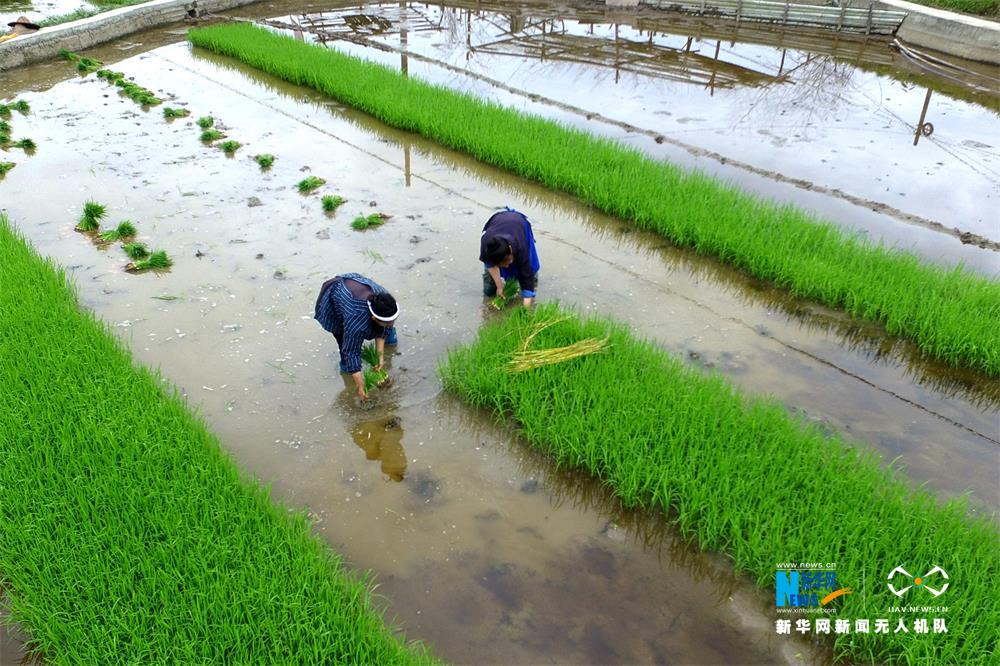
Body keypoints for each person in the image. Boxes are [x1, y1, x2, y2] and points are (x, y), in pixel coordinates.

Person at [314, 273, 398, 400]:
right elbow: (351, 353)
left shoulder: (385, 300)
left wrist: (379, 356)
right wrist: (361, 386)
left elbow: (384, 327)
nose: (391, 324)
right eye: (387, 322)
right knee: (346, 352)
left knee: (389, 334)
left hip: (356, 285)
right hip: (335, 299)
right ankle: (347, 375)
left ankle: (389, 341)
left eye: (393, 320)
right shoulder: (356, 319)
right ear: (374, 318)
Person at [480, 207, 540, 307]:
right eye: (501, 265)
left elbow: (527, 284)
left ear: (511, 252)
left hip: (519, 225)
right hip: (498, 222)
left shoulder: (521, 248)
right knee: (490, 286)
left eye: (508, 263)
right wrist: (499, 286)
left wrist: (525, 310)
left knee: (529, 274)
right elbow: (489, 264)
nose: (507, 266)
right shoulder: (487, 245)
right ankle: (489, 303)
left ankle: (535, 281)